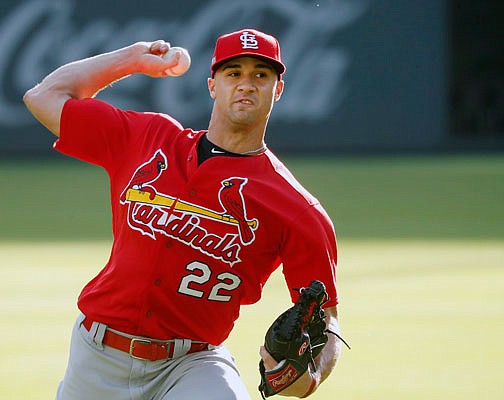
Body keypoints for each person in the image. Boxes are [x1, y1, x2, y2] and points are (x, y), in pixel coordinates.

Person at [23, 28, 343, 399]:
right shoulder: (148, 138)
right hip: (97, 357)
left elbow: (326, 318)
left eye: (261, 75)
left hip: (191, 365)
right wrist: (133, 58)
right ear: (212, 85)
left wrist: (312, 375)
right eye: (233, 73)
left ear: (278, 89)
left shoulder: (296, 208)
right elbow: (43, 97)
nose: (247, 84)